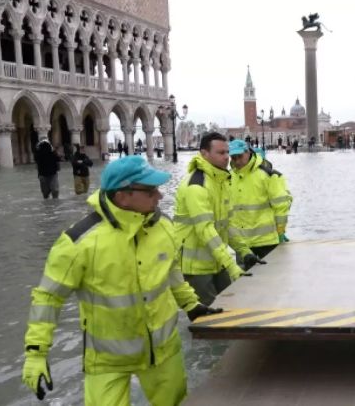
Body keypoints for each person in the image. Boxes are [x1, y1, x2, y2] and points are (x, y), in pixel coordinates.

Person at [21, 155, 221, 404]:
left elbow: (171, 274)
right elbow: (48, 298)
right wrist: (36, 354)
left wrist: (191, 305)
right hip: (107, 361)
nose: (159, 196)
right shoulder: (78, 242)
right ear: (122, 195)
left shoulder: (164, 226)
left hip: (164, 351)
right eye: (150, 191)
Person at [174, 132, 248, 305]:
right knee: (209, 321)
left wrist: (245, 251)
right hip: (196, 266)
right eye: (221, 153)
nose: (227, 158)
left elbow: (226, 225)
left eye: (227, 152)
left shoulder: (221, 181)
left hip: (217, 261)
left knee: (230, 307)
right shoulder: (196, 186)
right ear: (204, 154)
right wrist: (231, 265)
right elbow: (205, 230)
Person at [228, 139, 293, 267]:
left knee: (272, 280)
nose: (237, 161)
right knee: (246, 282)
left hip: (267, 241)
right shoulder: (228, 178)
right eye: (233, 157)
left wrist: (280, 231)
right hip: (242, 244)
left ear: (248, 152)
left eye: (239, 156)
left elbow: (281, 206)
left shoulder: (268, 175)